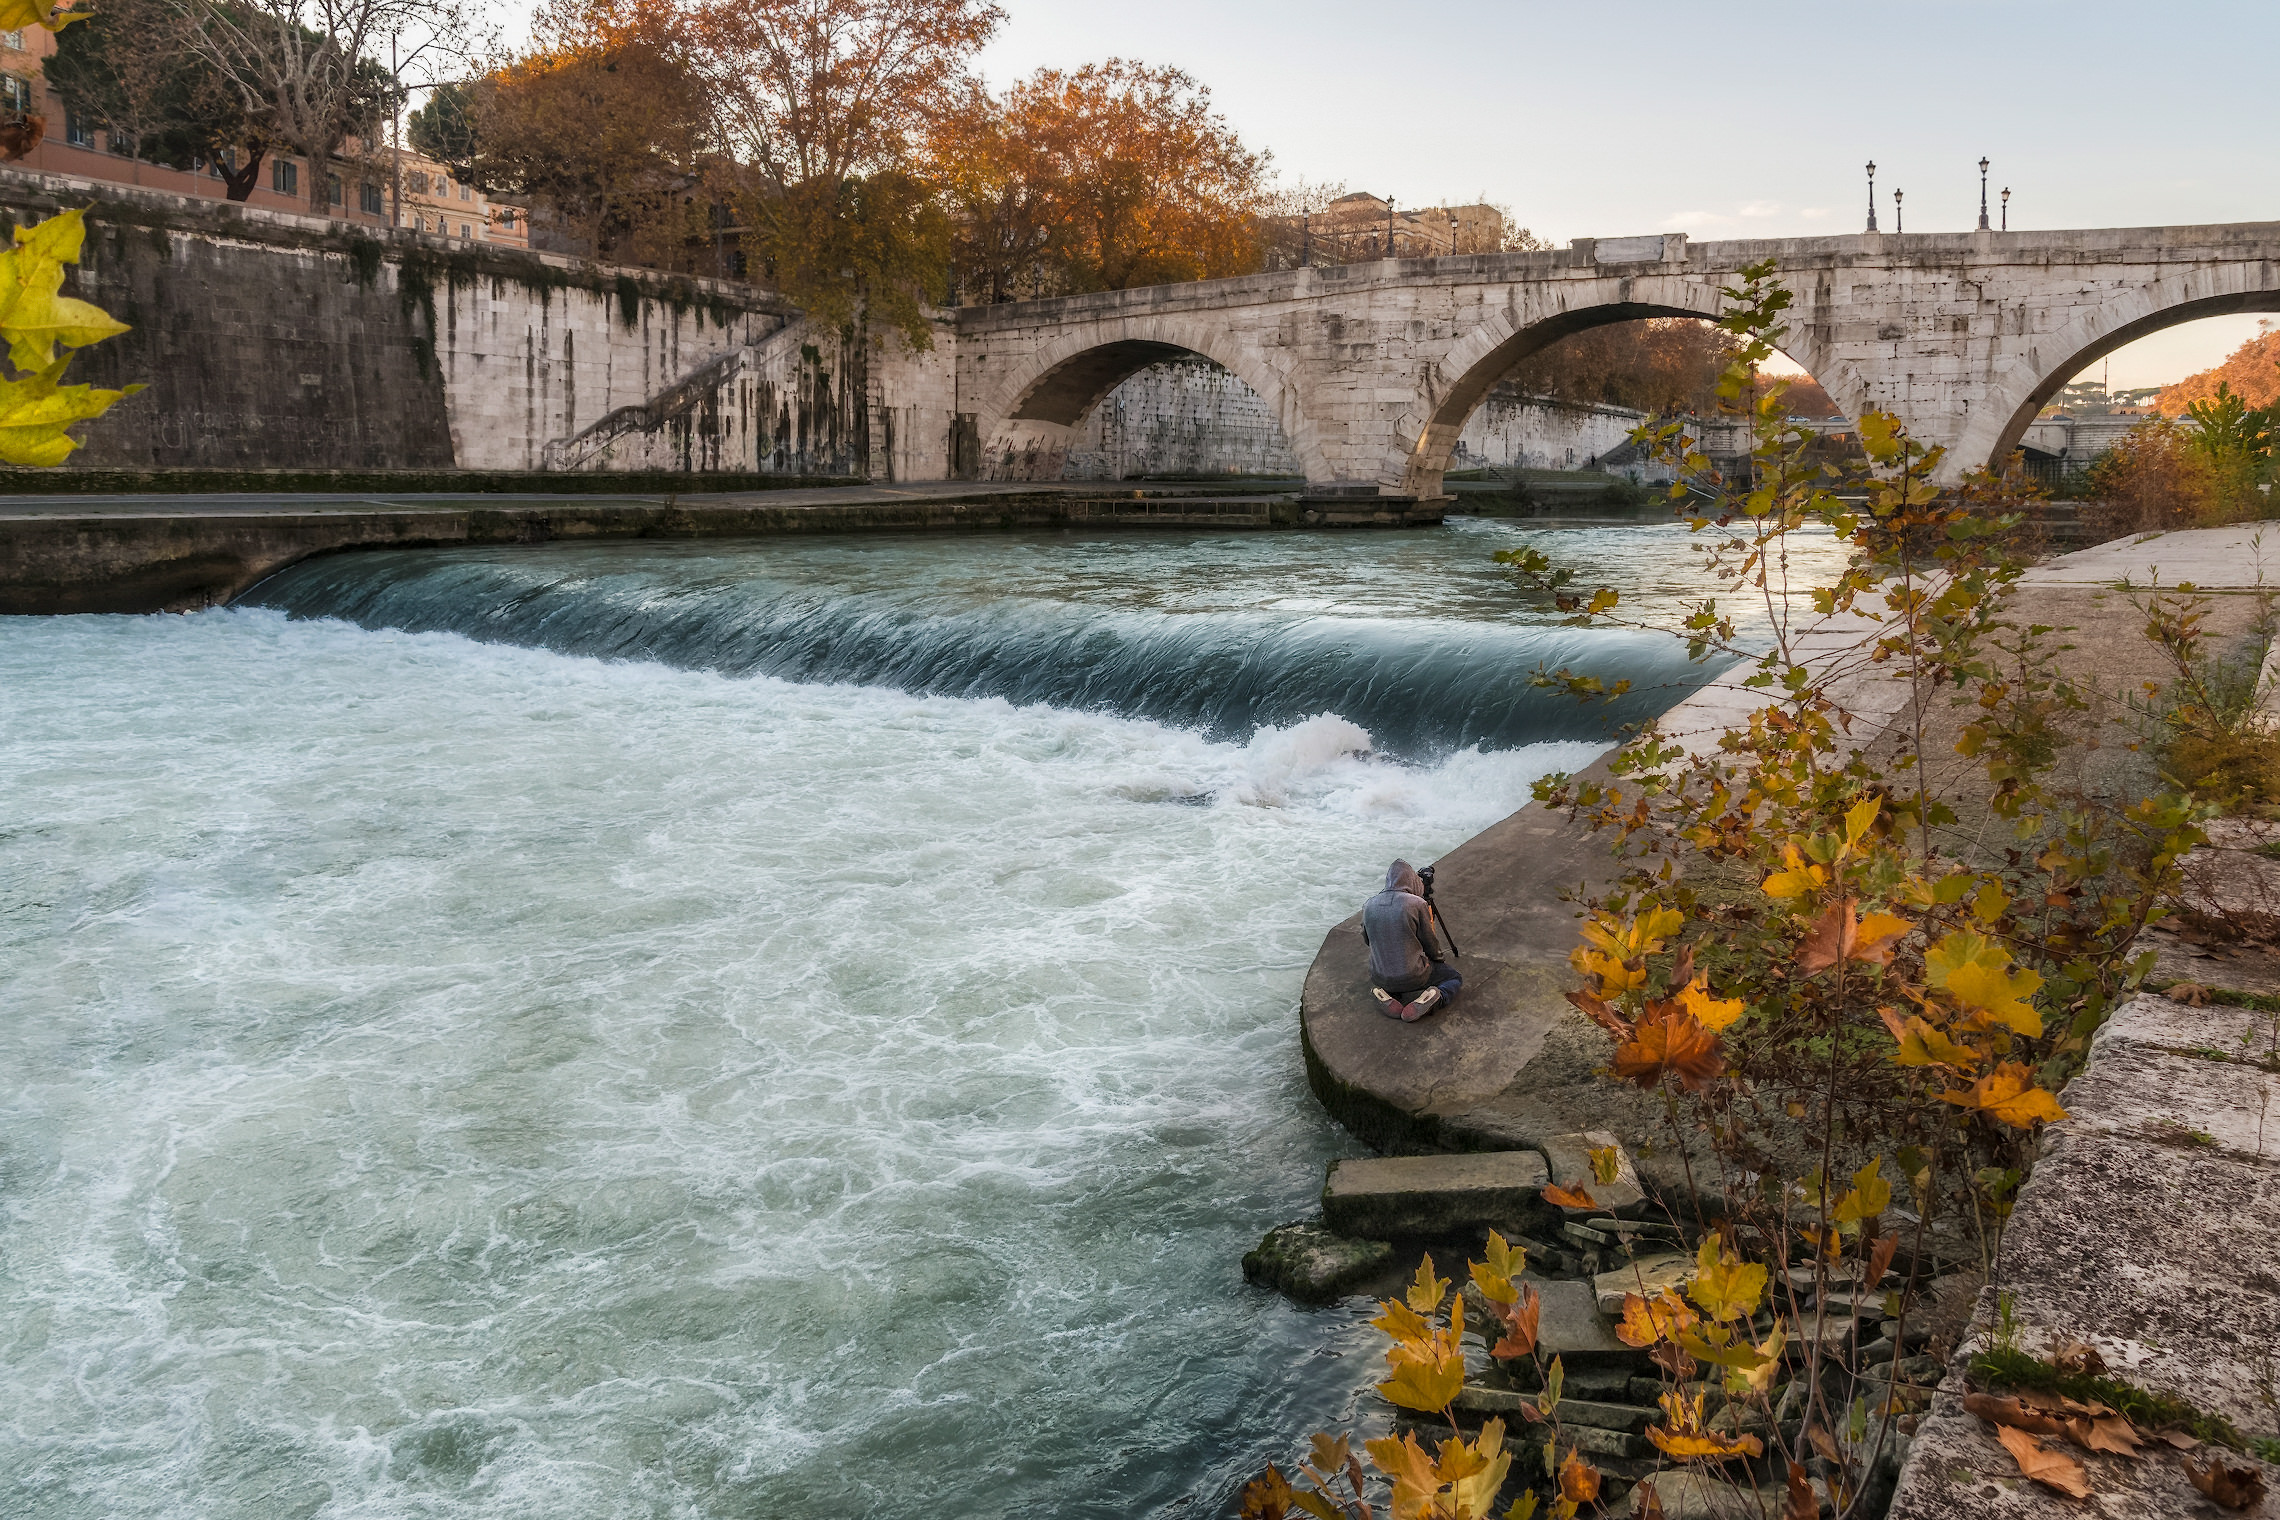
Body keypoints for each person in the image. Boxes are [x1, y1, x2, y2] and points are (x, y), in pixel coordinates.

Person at [1362, 859, 1461, 1021]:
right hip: (1414, 976)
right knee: (1454, 977)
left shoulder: (1368, 905)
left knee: (1390, 976)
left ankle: (1385, 994)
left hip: (1379, 975)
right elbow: (1430, 943)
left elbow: (1368, 940)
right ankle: (1436, 998)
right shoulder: (1417, 903)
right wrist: (1438, 961)